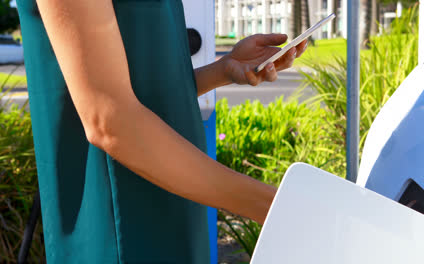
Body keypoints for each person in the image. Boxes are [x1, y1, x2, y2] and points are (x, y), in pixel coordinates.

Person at [16, 0, 307, 263]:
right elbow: (109, 119)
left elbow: (136, 88)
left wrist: (222, 70)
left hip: (175, 215)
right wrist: (275, 206)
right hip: (118, 229)